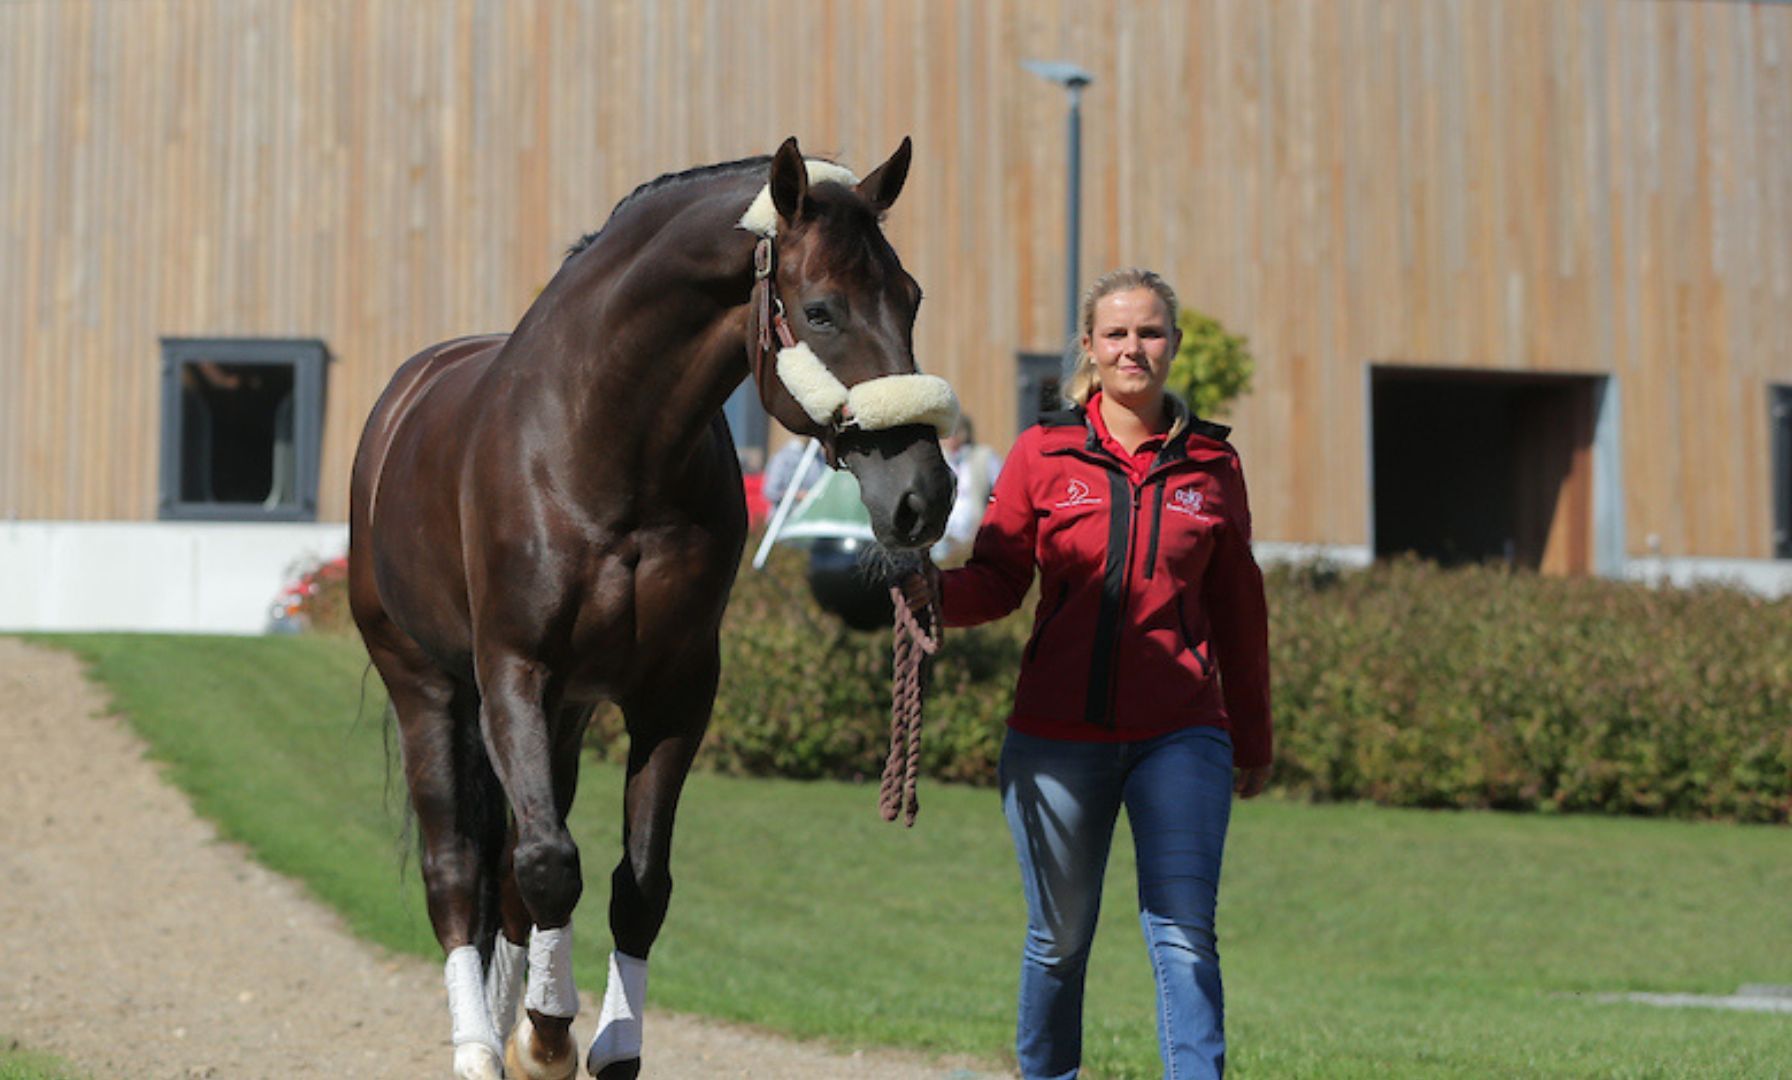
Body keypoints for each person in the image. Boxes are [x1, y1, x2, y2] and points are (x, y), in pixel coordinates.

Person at [911, 268, 1272, 1079]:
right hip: (1055, 737)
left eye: (1149, 333)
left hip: (1183, 735)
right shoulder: (1045, 452)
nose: (1133, 348)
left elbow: (1241, 611)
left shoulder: (1215, 464)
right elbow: (999, 581)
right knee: (1060, 940)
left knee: (1184, 932)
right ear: (1089, 347)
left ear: (1174, 347)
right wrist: (925, 591)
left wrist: (1252, 735)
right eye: (1117, 333)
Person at [930, 414, 1003, 566]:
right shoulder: (938, 459)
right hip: (943, 539)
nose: (953, 438)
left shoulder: (984, 456)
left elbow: (1002, 494)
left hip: (974, 537)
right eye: (949, 434)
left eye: (958, 432)